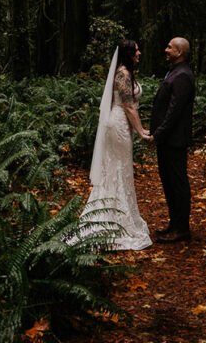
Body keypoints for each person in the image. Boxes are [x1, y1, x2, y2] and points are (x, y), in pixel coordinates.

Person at [77, 40, 153, 250]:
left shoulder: (125, 73)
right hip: (118, 123)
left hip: (121, 123)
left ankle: (119, 214)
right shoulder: (123, 74)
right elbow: (128, 105)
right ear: (129, 54)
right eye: (136, 50)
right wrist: (141, 131)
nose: (139, 53)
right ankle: (113, 219)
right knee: (117, 169)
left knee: (119, 169)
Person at [149, 36, 195, 243]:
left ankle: (181, 228)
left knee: (177, 182)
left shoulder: (183, 75)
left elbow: (174, 111)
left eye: (170, 47)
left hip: (174, 139)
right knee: (168, 182)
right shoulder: (175, 72)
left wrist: (158, 134)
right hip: (167, 140)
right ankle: (174, 225)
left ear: (179, 53)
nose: (165, 50)